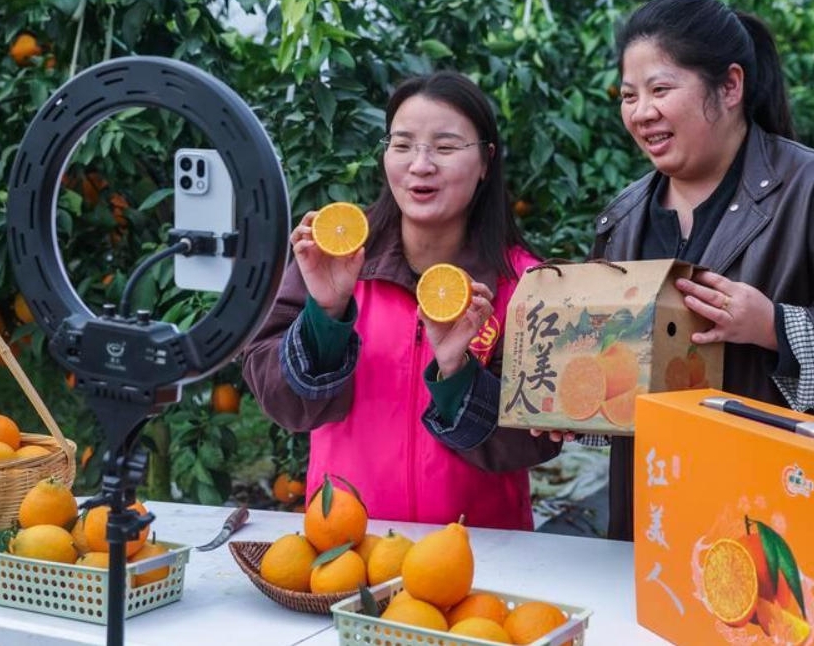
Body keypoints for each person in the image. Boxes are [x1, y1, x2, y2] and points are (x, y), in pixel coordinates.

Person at [538, 0, 814, 541]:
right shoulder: (623, 217)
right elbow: (618, 378)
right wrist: (571, 405)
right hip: (650, 515)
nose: (641, 112)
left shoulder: (804, 191)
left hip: (771, 523)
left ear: (730, 87)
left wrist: (775, 327)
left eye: (661, 90)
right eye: (629, 95)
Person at [241, 71, 561, 531]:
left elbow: (536, 442)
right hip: (347, 547)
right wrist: (325, 317)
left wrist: (457, 375)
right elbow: (286, 404)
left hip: (479, 558)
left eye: (446, 147)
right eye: (403, 144)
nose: (421, 164)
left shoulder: (527, 285)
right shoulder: (334, 260)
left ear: (486, 161)